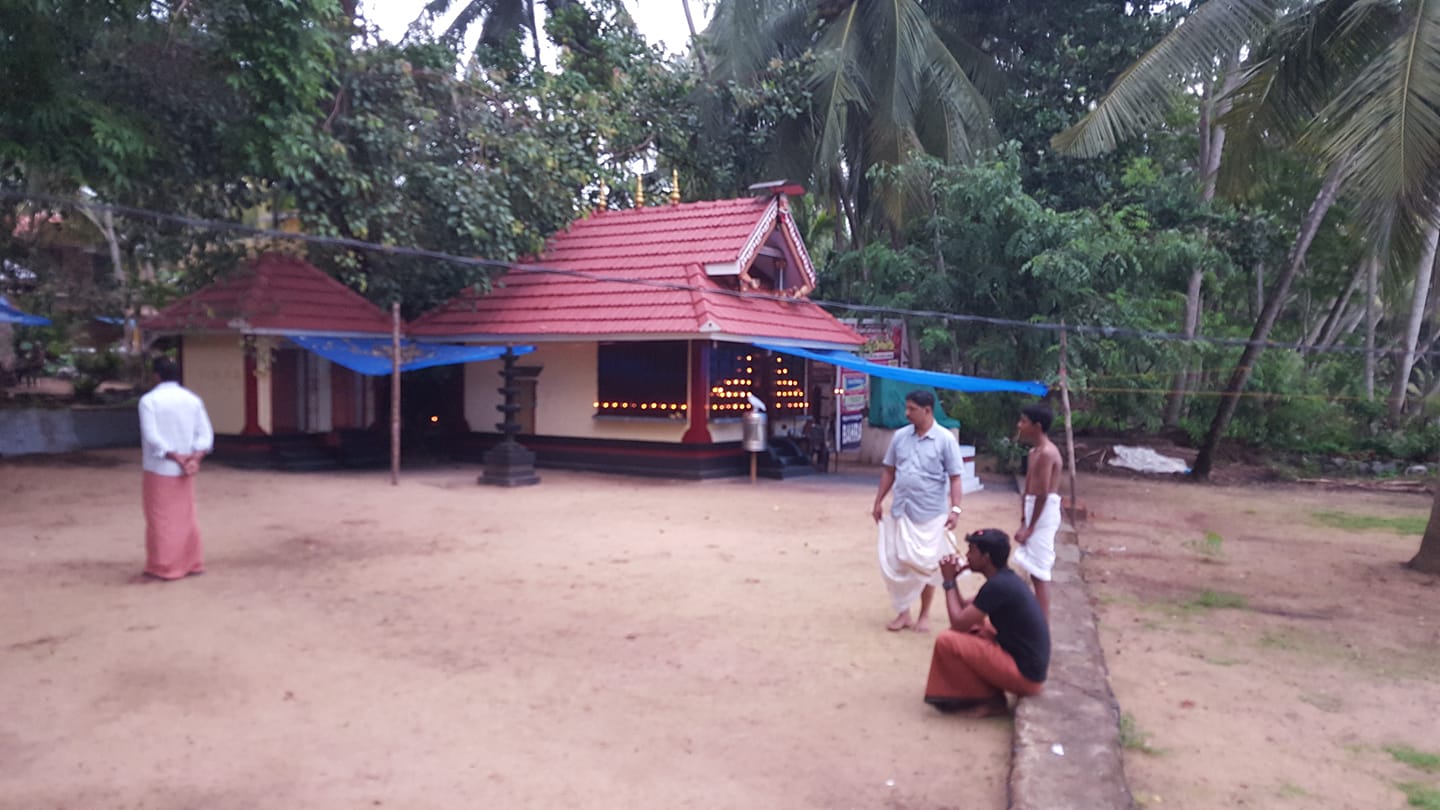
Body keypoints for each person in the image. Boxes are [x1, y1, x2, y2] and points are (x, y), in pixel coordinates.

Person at [925, 529, 1050, 716]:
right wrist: (953, 581)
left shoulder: (999, 586)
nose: (967, 556)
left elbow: (957, 623)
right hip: (1028, 667)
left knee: (947, 640)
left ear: (986, 557)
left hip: (1027, 677)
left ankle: (989, 701)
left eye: (972, 551)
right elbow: (965, 612)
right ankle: (986, 694)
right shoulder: (1005, 579)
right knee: (975, 627)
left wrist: (949, 582)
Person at [871, 390, 964, 632]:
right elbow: (889, 471)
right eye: (907, 408)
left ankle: (924, 614)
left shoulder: (945, 440)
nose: (906, 413)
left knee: (927, 564)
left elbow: (955, 477)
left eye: (912, 409)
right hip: (901, 509)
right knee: (898, 561)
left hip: (931, 513)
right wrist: (878, 501)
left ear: (927, 410)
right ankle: (904, 613)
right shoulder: (900, 436)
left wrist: (955, 509)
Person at [137, 356, 214, 581]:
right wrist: (194, 457)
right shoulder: (192, 399)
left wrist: (175, 456)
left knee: (160, 517)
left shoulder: (149, 400)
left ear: (156, 375)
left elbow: (152, 436)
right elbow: (205, 434)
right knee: (186, 516)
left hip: (160, 467)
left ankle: (164, 565)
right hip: (187, 467)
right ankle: (191, 562)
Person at [1013, 403, 1062, 618]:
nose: (1019, 425)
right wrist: (1024, 520)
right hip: (1033, 511)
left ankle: (1043, 630)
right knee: (1032, 570)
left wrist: (1031, 527)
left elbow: (1042, 494)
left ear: (1037, 426)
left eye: (1024, 422)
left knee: (1040, 573)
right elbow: (1029, 490)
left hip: (1043, 514)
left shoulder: (1047, 454)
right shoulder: (1034, 452)